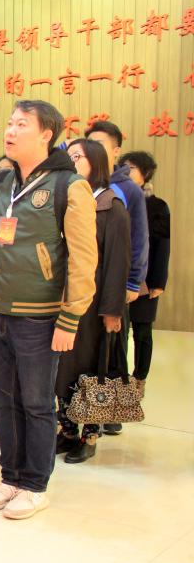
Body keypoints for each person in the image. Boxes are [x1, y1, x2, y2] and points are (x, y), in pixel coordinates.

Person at [0, 100, 98, 520]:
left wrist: (70, 317)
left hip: (40, 314)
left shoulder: (69, 186)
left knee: (36, 403)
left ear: (46, 134)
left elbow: (84, 259)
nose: (9, 131)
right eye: (9, 123)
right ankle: (10, 476)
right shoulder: (1, 180)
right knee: (3, 401)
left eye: (21, 124)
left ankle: (35, 484)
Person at [55, 139, 131, 464]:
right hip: (66, 298)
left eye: (78, 156)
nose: (71, 161)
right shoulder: (68, 199)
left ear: (96, 163)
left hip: (96, 303)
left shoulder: (111, 206)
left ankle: (90, 434)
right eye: (68, 155)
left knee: (93, 369)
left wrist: (112, 310)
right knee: (65, 368)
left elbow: (117, 263)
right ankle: (68, 429)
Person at [83, 121, 150, 436]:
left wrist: (133, 282)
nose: (92, 151)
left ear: (115, 151)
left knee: (112, 349)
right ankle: (79, 415)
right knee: (85, 353)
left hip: (114, 283)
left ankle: (109, 413)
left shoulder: (127, 189)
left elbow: (138, 239)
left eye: (100, 144)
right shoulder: (78, 184)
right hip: (83, 286)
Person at [119, 151, 169, 388]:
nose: (125, 172)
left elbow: (162, 244)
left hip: (145, 278)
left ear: (146, 173)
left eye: (131, 168)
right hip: (117, 275)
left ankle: (139, 378)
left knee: (142, 329)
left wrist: (158, 281)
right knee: (117, 330)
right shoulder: (116, 198)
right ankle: (117, 377)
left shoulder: (157, 206)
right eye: (123, 167)